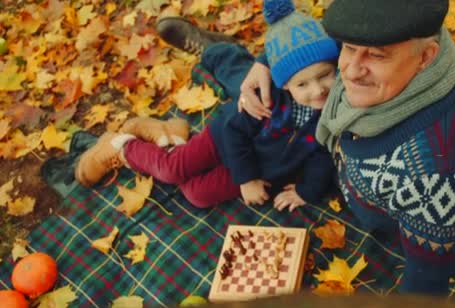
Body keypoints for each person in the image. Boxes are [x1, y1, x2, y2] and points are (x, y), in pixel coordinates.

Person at [238, 0, 455, 294]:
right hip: (340, 153)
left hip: (375, 209)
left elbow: (426, 284)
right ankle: (229, 59)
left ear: (426, 56)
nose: (349, 71)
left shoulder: (440, 180)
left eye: (375, 55)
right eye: (348, 47)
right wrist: (263, 63)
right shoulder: (404, 31)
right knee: (255, 94)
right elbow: (331, 35)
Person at [74, 0, 339, 212]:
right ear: (283, 85)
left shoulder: (333, 113)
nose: (318, 90)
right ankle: (122, 147)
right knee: (171, 170)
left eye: (325, 75)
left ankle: (169, 134)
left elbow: (322, 153)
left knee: (196, 194)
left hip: (263, 166)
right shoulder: (268, 100)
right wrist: (245, 179)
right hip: (225, 139)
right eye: (303, 85)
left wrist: (307, 191)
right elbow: (234, 130)